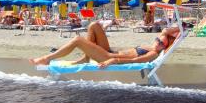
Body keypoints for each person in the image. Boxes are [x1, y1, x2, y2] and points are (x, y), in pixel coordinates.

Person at [29, 22, 180, 68]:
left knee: (77, 40)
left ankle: (47, 58)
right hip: (110, 50)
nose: (158, 42)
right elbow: (166, 30)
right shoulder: (154, 44)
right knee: (94, 25)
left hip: (109, 56)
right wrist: (181, 27)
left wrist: (111, 60)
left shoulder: (153, 54)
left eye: (161, 44)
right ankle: (85, 58)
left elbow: (134, 61)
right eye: (158, 39)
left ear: (163, 48)